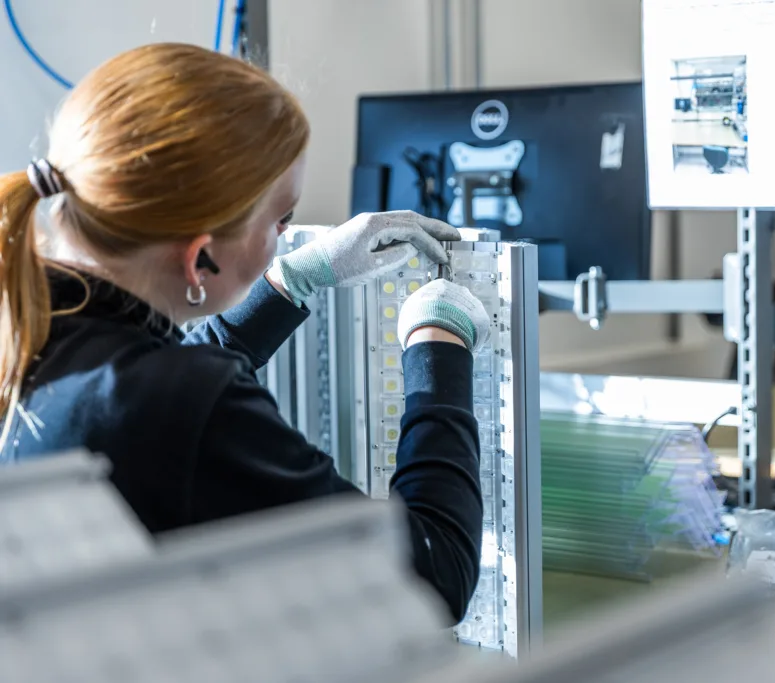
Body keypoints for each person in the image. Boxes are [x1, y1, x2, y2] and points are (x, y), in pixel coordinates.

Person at [0, 43, 488, 623]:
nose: (286, 236)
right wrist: (438, 349)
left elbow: (144, 395)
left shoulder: (34, 329)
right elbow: (432, 579)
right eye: (281, 222)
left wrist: (287, 283)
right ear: (201, 258)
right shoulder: (178, 403)